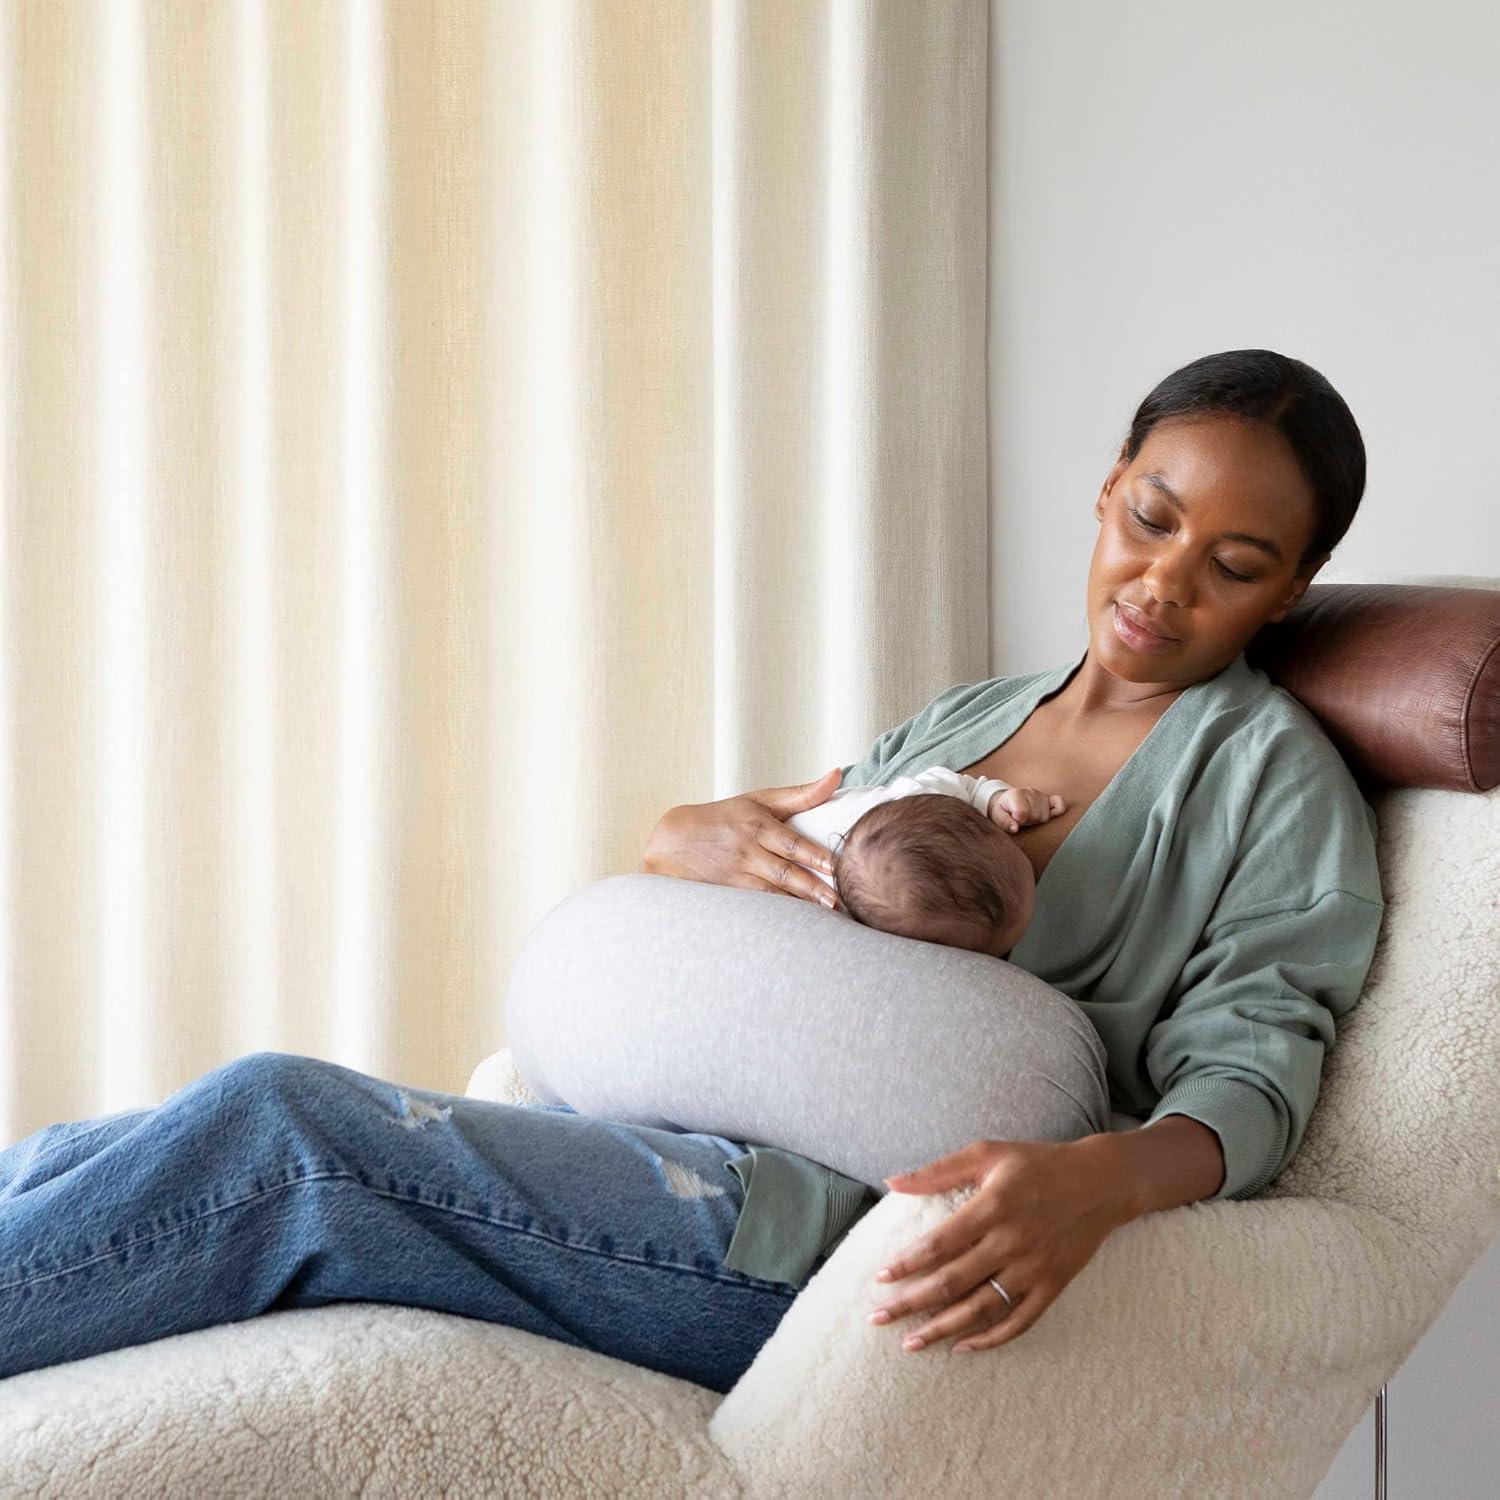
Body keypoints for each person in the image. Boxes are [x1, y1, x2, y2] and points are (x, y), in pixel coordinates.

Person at [0, 348, 1383, 1395]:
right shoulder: (968, 721)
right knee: (98, 1147)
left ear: (1292, 590)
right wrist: (685, 837)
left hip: (798, 1235)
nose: (1163, 583)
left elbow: (1259, 1061)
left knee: (286, 1134)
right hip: (664, 1147)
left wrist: (1109, 1180)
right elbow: (786, 876)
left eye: (1235, 563)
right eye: (1151, 519)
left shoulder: (1273, 780)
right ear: (1106, 491)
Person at [784, 763, 1067, 961]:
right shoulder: (837, 909)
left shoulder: (929, 794)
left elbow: (967, 786)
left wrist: (992, 798)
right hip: (777, 842)